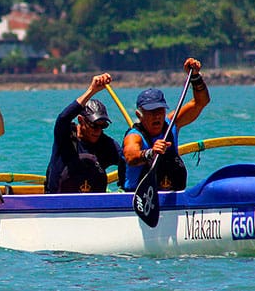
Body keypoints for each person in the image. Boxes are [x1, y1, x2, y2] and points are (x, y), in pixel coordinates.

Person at [122, 57, 210, 192]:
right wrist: (151, 152)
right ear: (139, 115)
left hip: (172, 195)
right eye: (151, 111)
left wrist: (195, 77)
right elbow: (130, 156)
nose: (157, 116)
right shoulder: (134, 136)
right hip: (140, 199)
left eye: (160, 110)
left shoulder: (172, 124)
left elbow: (200, 102)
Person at [45, 73, 125, 193]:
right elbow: (63, 118)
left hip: (95, 204)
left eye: (103, 126)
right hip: (58, 201)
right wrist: (92, 90)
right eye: (94, 125)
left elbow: (128, 160)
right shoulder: (65, 136)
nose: (98, 131)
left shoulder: (106, 144)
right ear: (81, 120)